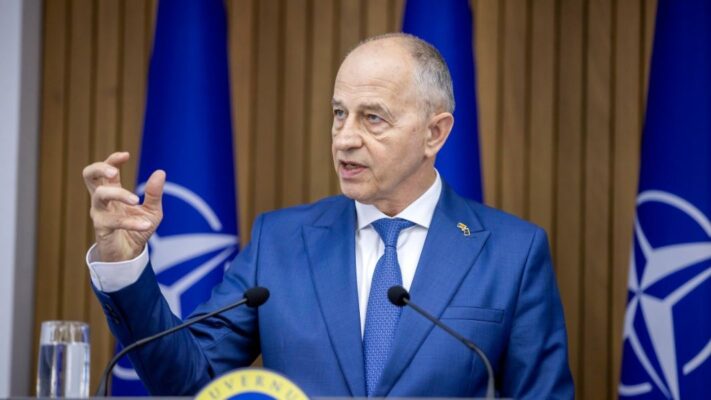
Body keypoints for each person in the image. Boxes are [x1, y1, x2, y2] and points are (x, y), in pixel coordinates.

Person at [83, 33, 574, 398]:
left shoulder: (512, 253)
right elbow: (188, 380)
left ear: (435, 134)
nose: (345, 138)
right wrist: (124, 266)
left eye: (372, 117)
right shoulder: (280, 242)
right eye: (340, 113)